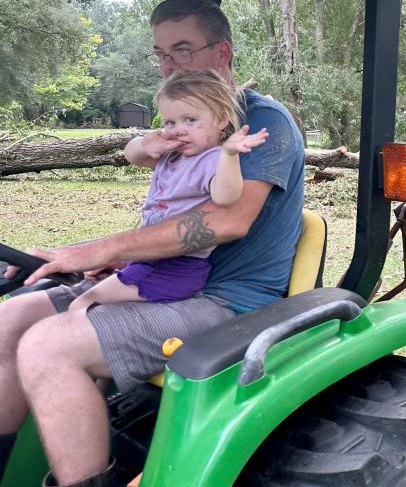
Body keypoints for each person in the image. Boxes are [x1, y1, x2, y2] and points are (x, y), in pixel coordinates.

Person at [0, 0, 304, 487]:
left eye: (183, 50)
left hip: (224, 299)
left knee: (48, 346)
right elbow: (153, 180)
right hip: (159, 280)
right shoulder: (183, 118)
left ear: (222, 50)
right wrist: (104, 251)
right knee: (12, 318)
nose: (170, 65)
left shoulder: (260, 123)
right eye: (162, 53)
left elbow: (225, 220)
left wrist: (93, 250)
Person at [69, 69, 270, 313]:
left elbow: (226, 195)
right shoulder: (173, 155)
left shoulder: (212, 159)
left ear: (221, 119)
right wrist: (145, 143)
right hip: (150, 259)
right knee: (88, 289)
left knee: (84, 302)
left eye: (190, 120)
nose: (178, 129)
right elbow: (131, 156)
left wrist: (230, 154)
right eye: (170, 122)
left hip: (176, 268)